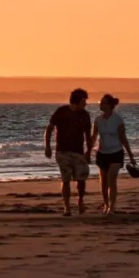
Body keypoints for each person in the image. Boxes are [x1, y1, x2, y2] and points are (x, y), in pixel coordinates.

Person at [44, 88, 93, 216]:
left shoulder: (85, 115)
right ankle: (67, 207)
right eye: (83, 101)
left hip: (78, 152)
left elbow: (88, 135)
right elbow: (49, 129)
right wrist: (47, 147)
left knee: (81, 179)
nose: (85, 104)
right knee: (65, 179)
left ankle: (80, 200)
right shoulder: (61, 111)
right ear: (76, 101)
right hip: (63, 151)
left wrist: (89, 151)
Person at [92, 94, 136, 215]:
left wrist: (130, 155)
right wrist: (88, 152)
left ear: (110, 105)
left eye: (104, 103)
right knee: (103, 182)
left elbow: (123, 138)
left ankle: (112, 207)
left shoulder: (117, 119)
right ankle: (106, 204)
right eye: (100, 103)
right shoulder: (98, 120)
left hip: (116, 152)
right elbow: (94, 137)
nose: (101, 105)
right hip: (101, 153)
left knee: (112, 179)